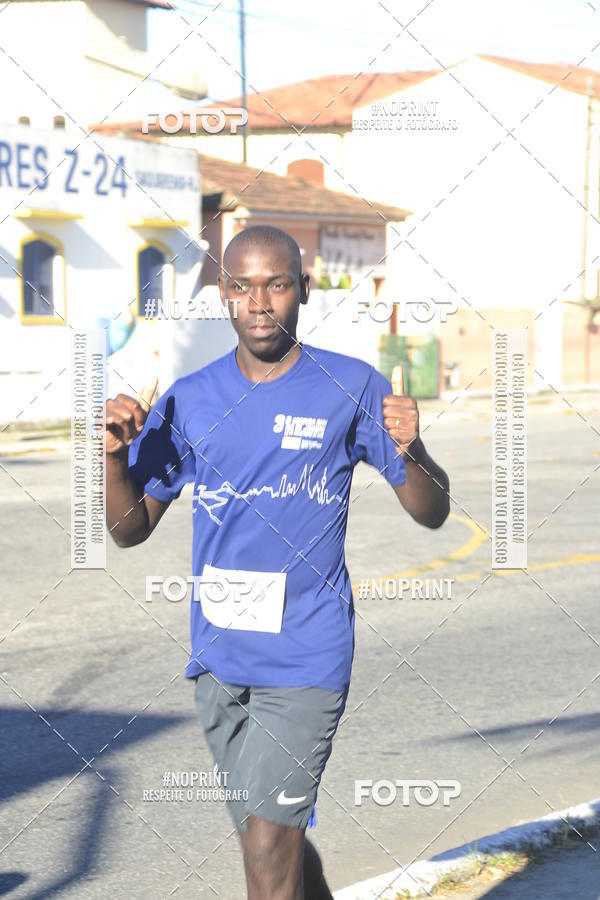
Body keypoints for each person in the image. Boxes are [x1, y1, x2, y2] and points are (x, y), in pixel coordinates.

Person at [105, 225, 450, 900]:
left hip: (306, 656)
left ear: (304, 290)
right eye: (241, 286)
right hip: (220, 658)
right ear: (222, 295)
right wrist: (113, 458)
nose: (259, 302)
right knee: (273, 840)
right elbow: (128, 530)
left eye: (277, 284)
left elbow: (430, 510)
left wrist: (413, 450)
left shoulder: (348, 386)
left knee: (267, 846)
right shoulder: (190, 398)